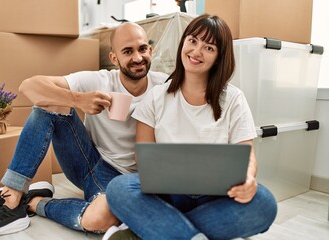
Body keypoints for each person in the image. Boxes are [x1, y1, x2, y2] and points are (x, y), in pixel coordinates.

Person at [0, 22, 168, 240]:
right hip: (90, 163)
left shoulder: (166, 85)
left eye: (141, 49)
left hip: (131, 179)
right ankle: (11, 198)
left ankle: (33, 203)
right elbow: (29, 86)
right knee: (48, 102)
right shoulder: (99, 80)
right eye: (128, 52)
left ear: (150, 50)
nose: (138, 58)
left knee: (101, 219)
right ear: (114, 58)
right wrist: (78, 99)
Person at [105, 14, 278, 240]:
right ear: (183, 42)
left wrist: (248, 178)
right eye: (193, 41)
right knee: (118, 189)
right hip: (167, 193)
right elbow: (142, 156)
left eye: (209, 48)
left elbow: (248, 154)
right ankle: (186, 234)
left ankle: (152, 231)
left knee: (264, 204)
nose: (196, 51)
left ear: (219, 57)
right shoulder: (157, 97)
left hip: (217, 195)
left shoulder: (234, 98)